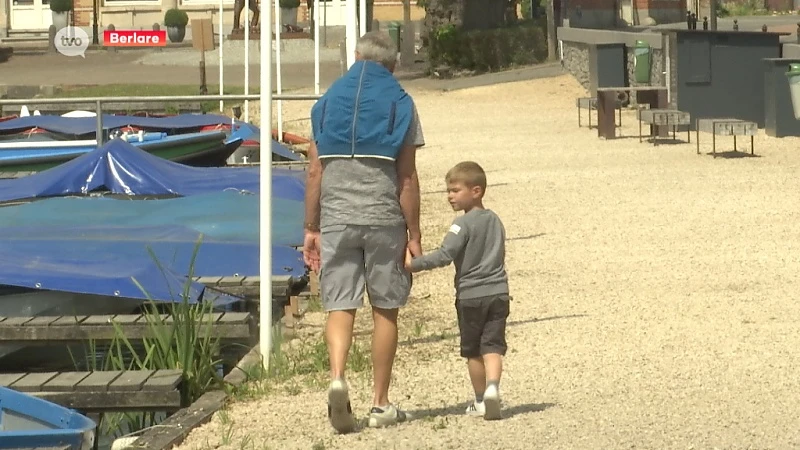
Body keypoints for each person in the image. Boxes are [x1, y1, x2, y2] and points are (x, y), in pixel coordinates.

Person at [302, 30, 425, 433]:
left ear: (355, 57)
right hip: (383, 216)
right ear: (392, 65)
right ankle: (380, 403)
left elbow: (315, 171)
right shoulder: (402, 103)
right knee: (384, 307)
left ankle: (338, 376)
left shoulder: (326, 103)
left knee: (341, 304)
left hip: (337, 217)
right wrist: (414, 233)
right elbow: (406, 177)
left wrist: (310, 227)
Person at [404, 161, 510, 421]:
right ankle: (494, 387)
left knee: (473, 350)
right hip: (499, 292)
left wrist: (413, 265)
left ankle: (479, 399)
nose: (449, 196)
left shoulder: (460, 225)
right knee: (493, 345)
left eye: (455, 191)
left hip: (471, 295)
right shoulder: (495, 220)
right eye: (447, 191)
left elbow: (445, 255)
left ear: (476, 191)